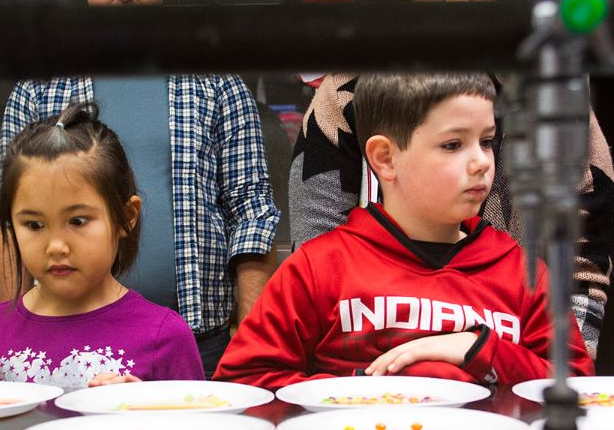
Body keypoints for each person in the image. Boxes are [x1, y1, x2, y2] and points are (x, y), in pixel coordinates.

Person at [289, 0, 614, 359]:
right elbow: (315, 231)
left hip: (514, 353)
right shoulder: (347, 90)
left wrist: (565, 360)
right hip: (376, 359)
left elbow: (590, 233)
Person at [0, 0, 279, 379]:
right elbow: (9, 219)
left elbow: (251, 212)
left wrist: (251, 342)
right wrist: (13, 330)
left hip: (199, 339)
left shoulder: (217, 83)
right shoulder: (40, 87)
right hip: (67, 336)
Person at [217, 72, 594, 392]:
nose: (481, 162)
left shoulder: (523, 274)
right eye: (453, 144)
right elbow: (247, 382)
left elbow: (574, 386)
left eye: (486, 141)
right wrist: (365, 391)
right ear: (385, 158)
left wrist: (480, 351)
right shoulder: (320, 268)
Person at [0, 102, 202, 388]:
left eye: (77, 221)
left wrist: (141, 409)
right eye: (34, 225)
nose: (56, 246)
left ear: (125, 218)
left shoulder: (165, 335)